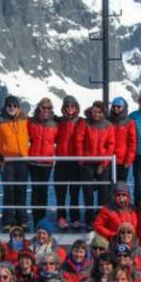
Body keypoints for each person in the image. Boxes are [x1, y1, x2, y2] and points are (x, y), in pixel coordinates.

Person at [0, 95, 30, 231]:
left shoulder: (24, 119)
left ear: (18, 107)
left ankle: (22, 221)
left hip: (22, 161)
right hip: (6, 162)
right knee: (9, 191)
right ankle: (8, 222)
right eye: (9, 105)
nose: (12, 108)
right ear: (5, 106)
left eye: (14, 105)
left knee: (21, 191)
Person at [76, 103, 116, 225]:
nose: (97, 114)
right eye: (95, 111)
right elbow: (79, 141)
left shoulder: (108, 125)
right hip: (87, 162)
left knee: (104, 192)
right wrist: (81, 158)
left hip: (102, 162)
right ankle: (89, 219)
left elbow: (111, 144)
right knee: (88, 192)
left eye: (100, 112)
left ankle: (101, 219)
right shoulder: (85, 124)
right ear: (91, 111)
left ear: (103, 113)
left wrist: (104, 163)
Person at [26, 97, 58, 226]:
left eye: (49, 108)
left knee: (43, 191)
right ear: (39, 108)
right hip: (33, 161)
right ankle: (36, 218)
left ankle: (42, 219)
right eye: (44, 107)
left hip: (47, 162)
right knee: (35, 190)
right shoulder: (31, 122)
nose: (46, 110)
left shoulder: (55, 124)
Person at [54, 95, 83, 229]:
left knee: (74, 193)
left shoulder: (81, 122)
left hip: (75, 162)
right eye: (67, 106)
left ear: (76, 107)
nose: (70, 108)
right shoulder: (59, 121)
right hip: (61, 161)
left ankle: (75, 218)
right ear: (64, 108)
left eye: (72, 106)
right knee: (60, 192)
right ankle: (61, 217)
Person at [108, 96, 137, 184]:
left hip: (123, 160)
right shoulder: (107, 121)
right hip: (108, 159)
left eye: (118, 107)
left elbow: (132, 143)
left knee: (121, 186)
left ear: (123, 108)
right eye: (113, 106)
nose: (116, 109)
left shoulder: (130, 123)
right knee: (108, 186)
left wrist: (128, 160)